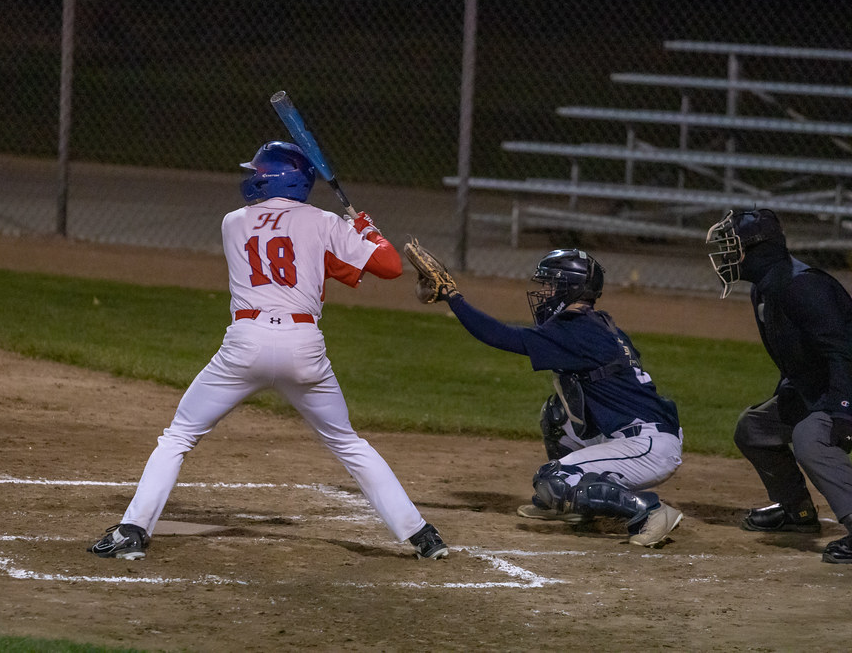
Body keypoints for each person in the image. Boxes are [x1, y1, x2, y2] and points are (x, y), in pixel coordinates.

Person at [88, 141, 448, 561]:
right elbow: (387, 266)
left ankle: (132, 530)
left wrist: (351, 237)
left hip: (246, 345)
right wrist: (365, 232)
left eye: (258, 171)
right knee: (348, 443)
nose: (252, 176)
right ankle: (423, 535)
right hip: (304, 349)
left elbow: (302, 256)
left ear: (274, 179)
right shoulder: (324, 222)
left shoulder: (233, 222)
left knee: (179, 436)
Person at [406, 244, 684, 547]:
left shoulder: (576, 331)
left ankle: (649, 511)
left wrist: (451, 296)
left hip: (647, 446)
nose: (546, 292)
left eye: (552, 285)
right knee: (557, 414)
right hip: (634, 434)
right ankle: (571, 505)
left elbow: (499, 335)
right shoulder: (595, 324)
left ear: (571, 289)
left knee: (554, 479)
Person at [706, 208, 852, 564]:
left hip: (844, 388)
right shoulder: (767, 286)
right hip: (825, 388)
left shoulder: (802, 287)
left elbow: (843, 352)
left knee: (810, 440)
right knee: (755, 428)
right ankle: (796, 511)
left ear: (758, 249)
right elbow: (798, 356)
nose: (727, 257)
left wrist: (842, 411)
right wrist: (789, 390)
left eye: (734, 247)